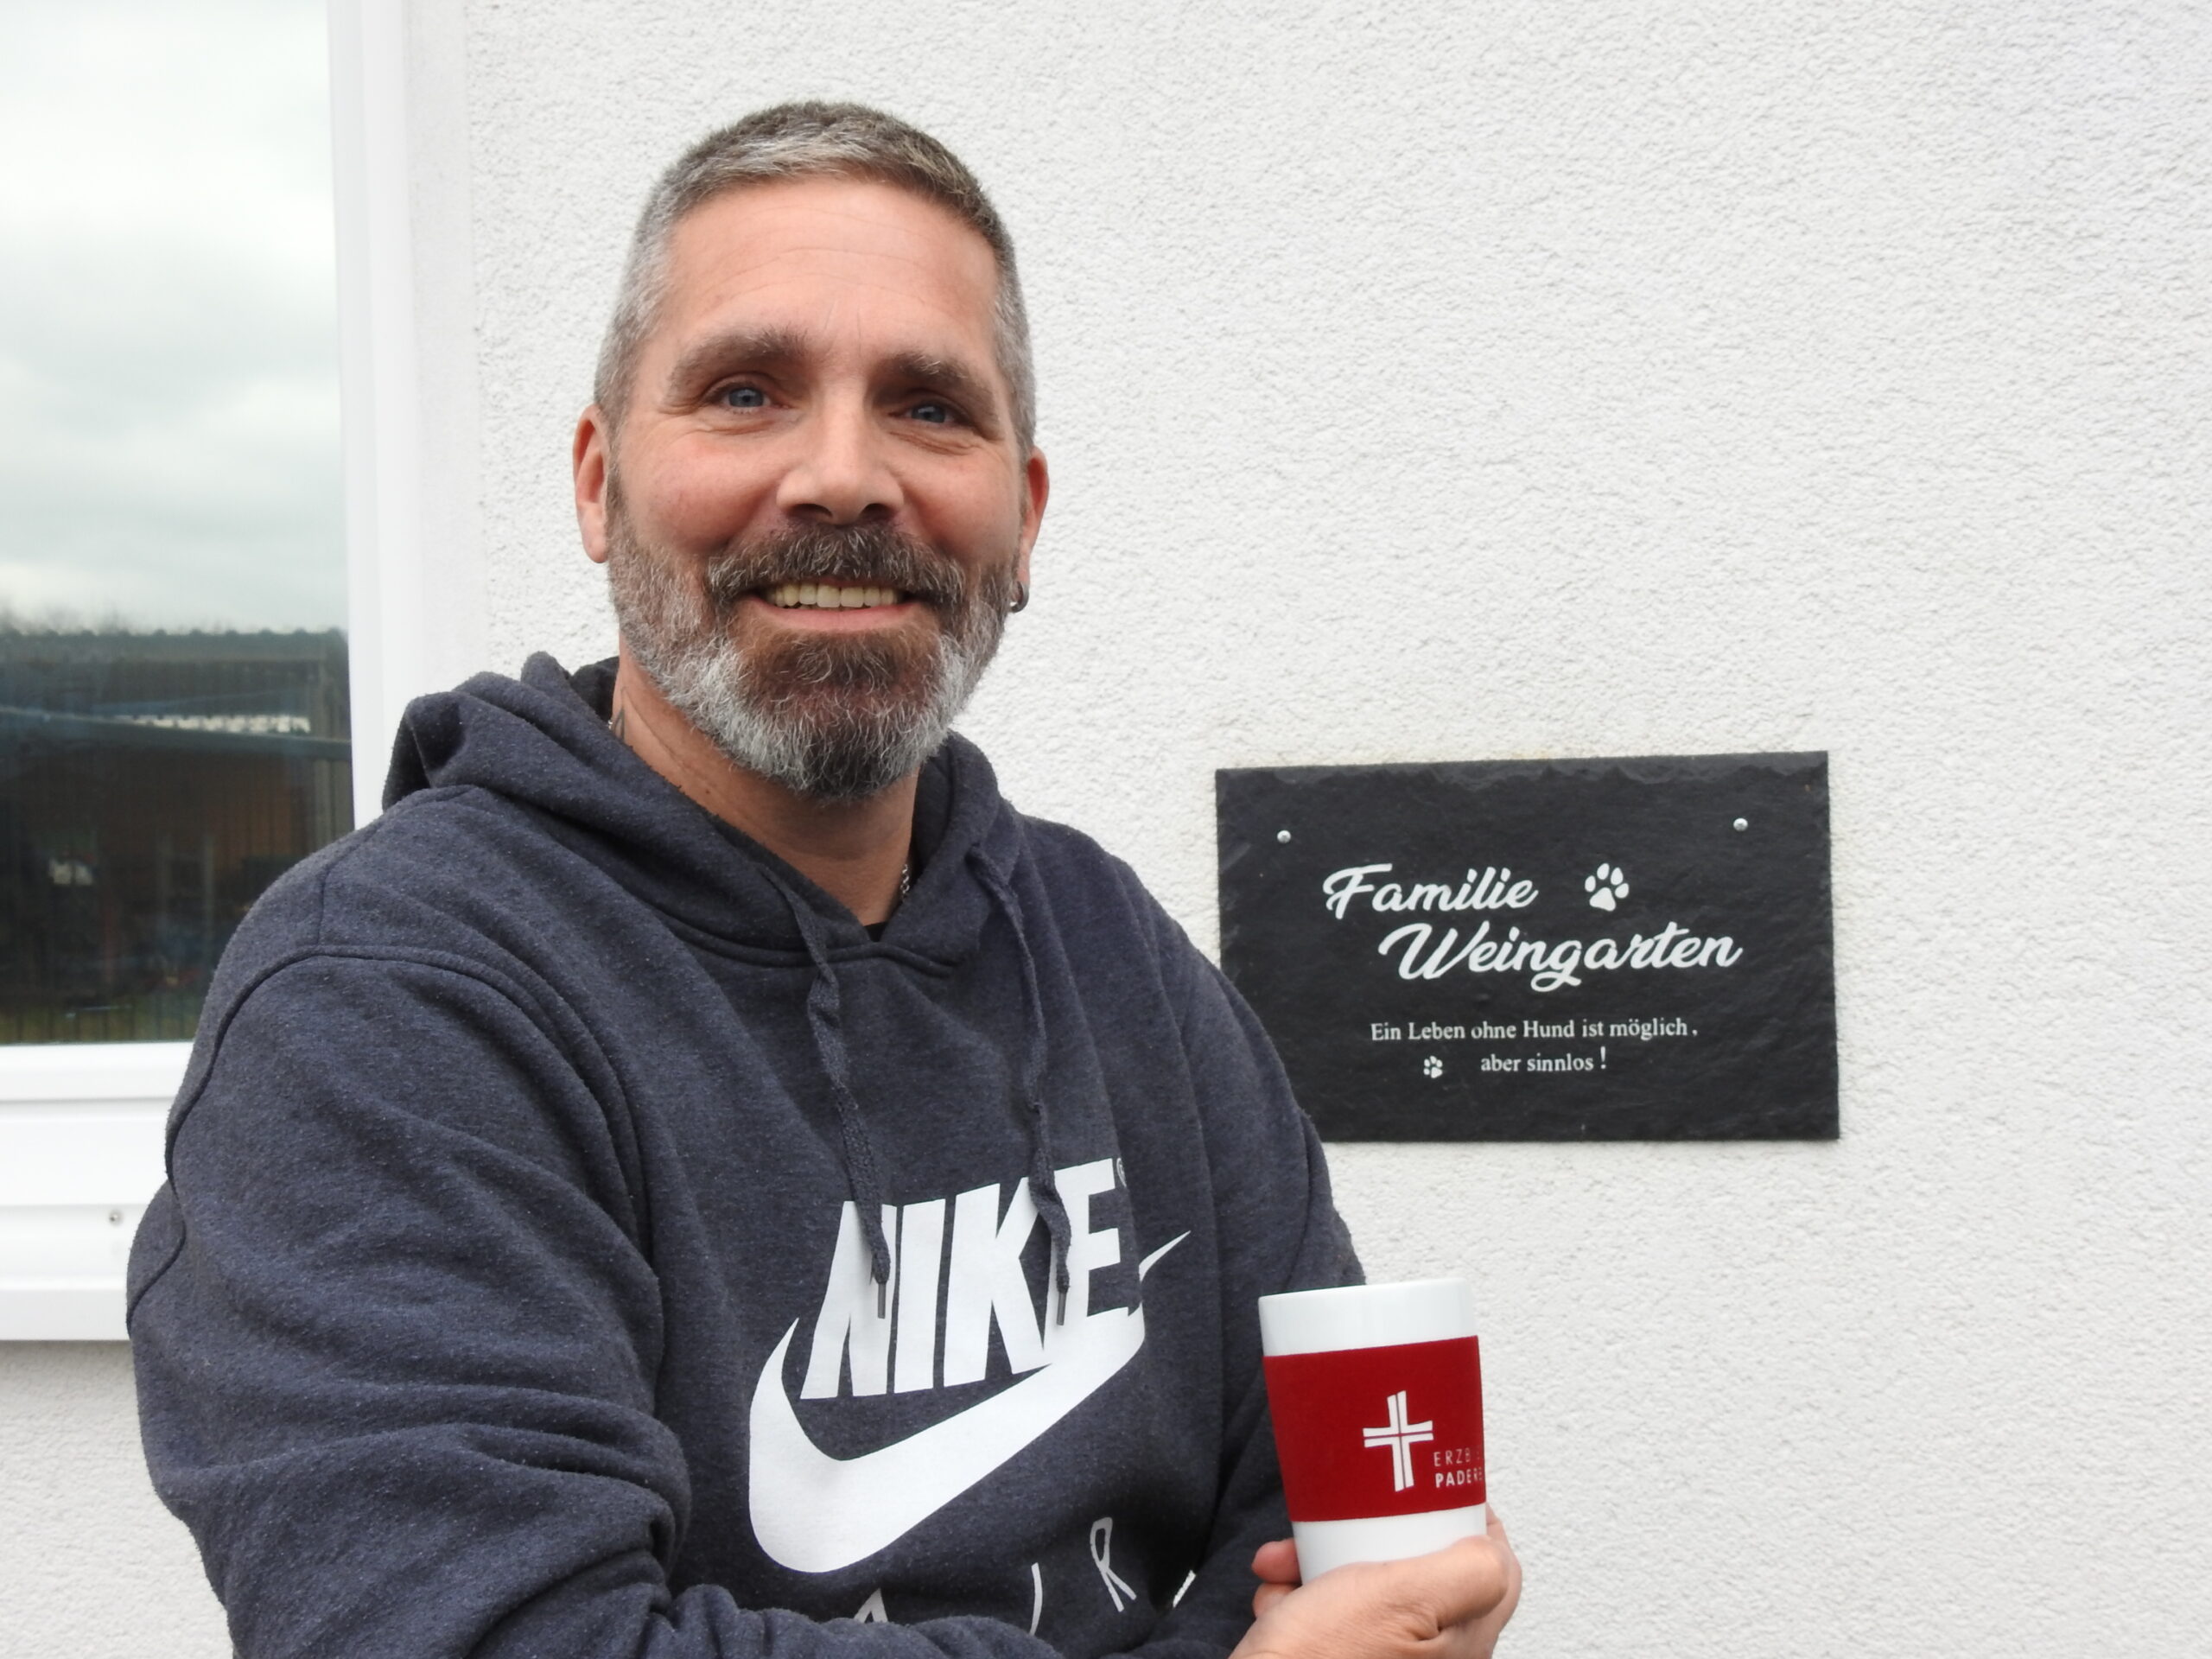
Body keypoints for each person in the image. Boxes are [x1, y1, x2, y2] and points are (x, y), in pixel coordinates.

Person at [127, 103, 1520, 1659]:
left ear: (1024, 520)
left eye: (930, 408)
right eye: (744, 392)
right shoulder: (384, 1008)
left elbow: (1337, 1497)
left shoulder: (1102, 941)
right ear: (597, 484)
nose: (843, 478)